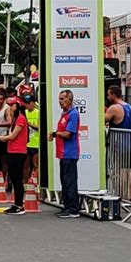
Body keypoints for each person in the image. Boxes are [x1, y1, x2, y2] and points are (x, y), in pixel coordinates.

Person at [0, 97, 29, 215]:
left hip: (18, 152)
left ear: (18, 106)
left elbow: (12, 136)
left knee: (17, 180)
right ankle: (17, 204)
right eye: (9, 105)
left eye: (12, 105)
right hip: (13, 151)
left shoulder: (21, 119)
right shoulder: (16, 119)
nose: (10, 107)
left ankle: (19, 205)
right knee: (14, 179)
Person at [48, 90, 80, 218]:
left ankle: (73, 209)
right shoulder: (65, 113)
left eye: (62, 99)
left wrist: (55, 133)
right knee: (65, 181)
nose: (60, 102)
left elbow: (68, 134)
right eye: (59, 99)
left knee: (69, 181)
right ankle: (68, 207)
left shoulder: (73, 114)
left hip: (69, 153)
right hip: (63, 153)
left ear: (69, 99)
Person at [23, 94, 39, 182]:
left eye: (28, 103)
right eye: (25, 103)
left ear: (33, 103)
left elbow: (40, 127)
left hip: (36, 143)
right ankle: (25, 182)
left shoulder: (38, 112)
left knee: (36, 164)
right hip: (25, 143)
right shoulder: (24, 112)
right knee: (25, 165)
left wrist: (29, 124)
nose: (27, 105)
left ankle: (36, 183)